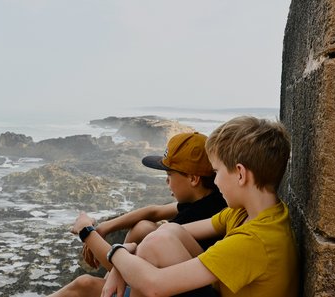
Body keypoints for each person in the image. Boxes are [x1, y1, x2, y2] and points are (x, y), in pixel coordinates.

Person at [0, 132, 227, 297]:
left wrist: (88, 232)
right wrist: (105, 228)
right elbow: (151, 211)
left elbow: (129, 270)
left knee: (89, 281)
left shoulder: (204, 217)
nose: (165, 181)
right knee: (143, 227)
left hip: (160, 288)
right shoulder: (205, 202)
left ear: (192, 179)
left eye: (169, 173)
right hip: (160, 282)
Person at [74, 116, 299, 297]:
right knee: (165, 234)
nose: (216, 181)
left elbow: (154, 285)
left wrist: (112, 251)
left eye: (218, 172)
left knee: (155, 245)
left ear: (240, 174)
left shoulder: (255, 242)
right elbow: (167, 232)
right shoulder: (247, 214)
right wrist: (127, 255)